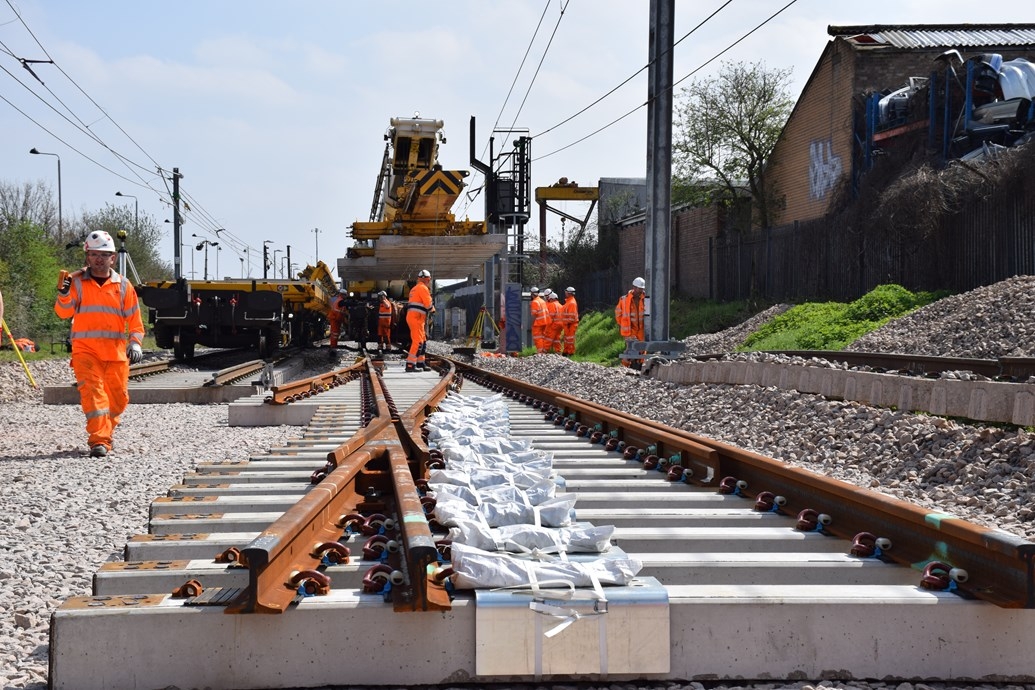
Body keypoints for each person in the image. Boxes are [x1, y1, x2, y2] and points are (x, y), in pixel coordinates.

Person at [54, 230, 145, 458]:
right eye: (94, 254)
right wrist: (64, 294)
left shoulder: (124, 286)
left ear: (113, 258)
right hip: (86, 352)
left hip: (115, 354)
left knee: (119, 400)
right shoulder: (76, 283)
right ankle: (99, 441)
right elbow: (63, 314)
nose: (99, 259)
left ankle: (105, 433)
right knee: (95, 396)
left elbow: (135, 322)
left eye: (104, 255)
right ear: (87, 256)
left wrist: (135, 344)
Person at [405, 269, 434, 372]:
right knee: (418, 342)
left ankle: (421, 363)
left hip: (417, 318)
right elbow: (428, 303)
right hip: (416, 318)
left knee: (423, 341)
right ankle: (410, 365)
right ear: (427, 279)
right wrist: (432, 309)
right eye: (429, 280)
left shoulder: (414, 288)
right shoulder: (423, 288)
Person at [615, 276, 647, 368]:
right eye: (639, 289)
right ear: (634, 288)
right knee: (630, 351)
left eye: (642, 289)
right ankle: (624, 369)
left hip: (641, 330)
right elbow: (618, 313)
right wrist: (623, 324)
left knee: (642, 351)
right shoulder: (624, 300)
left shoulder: (646, 299)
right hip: (630, 330)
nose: (641, 291)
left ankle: (640, 367)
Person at [327, 289, 348, 358]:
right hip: (335, 319)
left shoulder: (339, 300)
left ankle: (333, 347)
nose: (346, 296)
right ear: (342, 294)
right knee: (334, 334)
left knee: (335, 333)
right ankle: (333, 347)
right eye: (345, 295)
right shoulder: (340, 301)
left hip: (336, 319)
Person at [559, 286, 580, 356]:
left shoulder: (571, 303)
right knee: (567, 339)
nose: (565, 293)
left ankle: (570, 352)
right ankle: (566, 351)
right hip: (568, 324)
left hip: (570, 324)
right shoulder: (569, 302)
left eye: (566, 292)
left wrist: (567, 323)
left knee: (570, 339)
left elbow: (572, 316)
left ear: (569, 293)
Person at [529, 286, 549, 353]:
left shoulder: (535, 302)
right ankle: (543, 350)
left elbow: (534, 314)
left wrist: (531, 324)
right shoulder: (542, 301)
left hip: (538, 323)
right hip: (545, 322)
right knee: (543, 337)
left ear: (532, 294)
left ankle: (540, 352)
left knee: (538, 338)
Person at [544, 289, 563, 354]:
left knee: (549, 337)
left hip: (554, 324)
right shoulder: (560, 305)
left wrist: (547, 326)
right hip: (561, 325)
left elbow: (551, 316)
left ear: (552, 299)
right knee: (557, 338)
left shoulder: (552, 304)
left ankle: (545, 350)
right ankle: (558, 351)